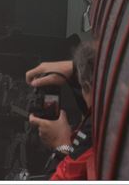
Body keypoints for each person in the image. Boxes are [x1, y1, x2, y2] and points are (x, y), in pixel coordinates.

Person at [26, 40, 98, 180]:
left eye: (83, 87)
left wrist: (62, 146)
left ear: (89, 86)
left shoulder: (96, 131)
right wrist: (74, 70)